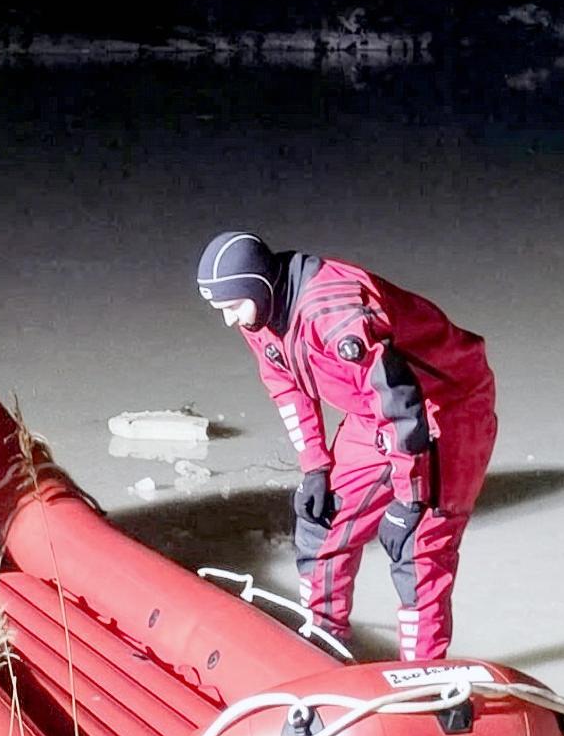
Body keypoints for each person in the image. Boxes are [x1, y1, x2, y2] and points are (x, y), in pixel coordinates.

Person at [195, 231, 497, 661]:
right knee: (321, 523)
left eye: (232, 306)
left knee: (418, 548)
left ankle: (424, 678)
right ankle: (324, 644)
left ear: (259, 286)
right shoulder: (260, 315)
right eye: (221, 309)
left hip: (444, 406)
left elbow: (399, 403)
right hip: (375, 412)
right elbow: (286, 386)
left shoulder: (335, 313)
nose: (230, 320)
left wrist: (409, 499)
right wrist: (315, 466)